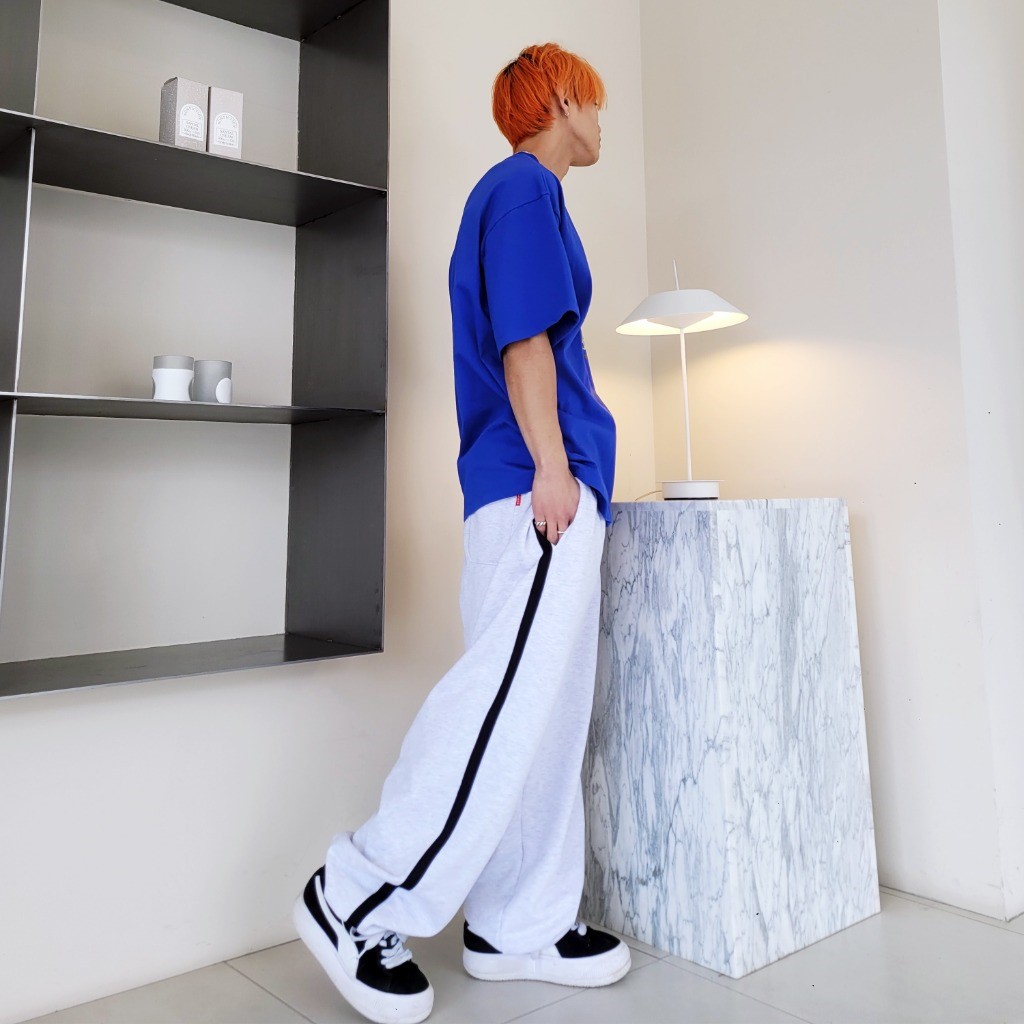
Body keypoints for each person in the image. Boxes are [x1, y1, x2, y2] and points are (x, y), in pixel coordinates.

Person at [293, 42, 625, 1024]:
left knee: (539, 720)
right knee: (498, 710)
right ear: (558, 100)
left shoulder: (522, 196)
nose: (600, 121)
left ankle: (518, 925)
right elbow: (524, 340)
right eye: (592, 102)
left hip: (536, 490)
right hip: (536, 489)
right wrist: (554, 467)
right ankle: (355, 895)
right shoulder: (523, 188)